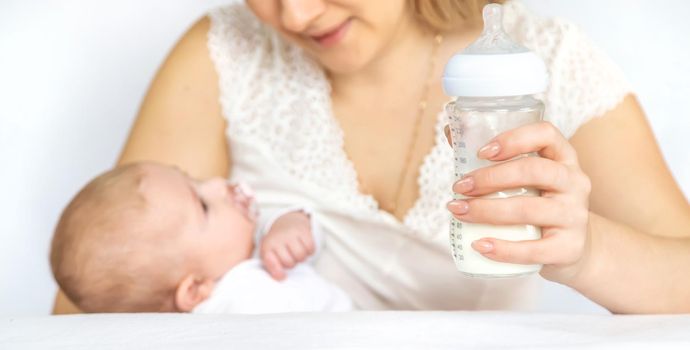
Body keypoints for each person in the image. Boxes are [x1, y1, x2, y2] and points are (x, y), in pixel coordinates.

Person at [54, 0, 690, 314]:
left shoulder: (545, 68)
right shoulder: (224, 54)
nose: (296, 15)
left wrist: (586, 251)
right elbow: (96, 300)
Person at [50, 162, 352, 313]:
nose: (219, 183)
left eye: (196, 181)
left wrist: (291, 225)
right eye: (204, 206)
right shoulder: (230, 312)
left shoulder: (256, 247)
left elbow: (307, 246)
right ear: (194, 289)